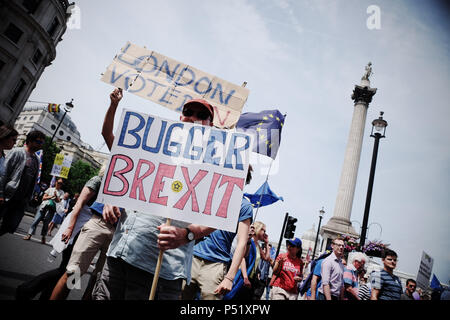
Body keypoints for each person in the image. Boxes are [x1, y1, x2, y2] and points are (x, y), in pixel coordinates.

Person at [92, 88, 219, 300]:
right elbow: (112, 144)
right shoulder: (152, 147)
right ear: (181, 117)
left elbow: (218, 216)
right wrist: (112, 197)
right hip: (120, 255)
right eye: (189, 112)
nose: (193, 118)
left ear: (211, 125)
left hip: (160, 271)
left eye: (202, 115)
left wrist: (186, 234)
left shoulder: (215, 165)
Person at [16, 174, 105, 300]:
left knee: (70, 271)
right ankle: (27, 289)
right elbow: (79, 204)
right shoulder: (98, 180)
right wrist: (69, 229)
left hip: (85, 231)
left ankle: (44, 295)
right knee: (69, 271)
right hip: (76, 229)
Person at [180, 170, 253, 300]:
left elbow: (242, 243)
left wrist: (229, 278)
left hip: (216, 266)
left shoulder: (244, 205)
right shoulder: (210, 194)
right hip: (192, 257)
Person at [0, 130, 45, 236]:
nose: (40, 145)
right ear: (29, 141)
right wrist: (1, 193)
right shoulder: (17, 152)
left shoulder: (37, 159)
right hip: (8, 195)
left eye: (42, 143)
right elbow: (4, 173)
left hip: (21, 200)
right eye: (38, 142)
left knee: (10, 226)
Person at [23, 177, 65, 244]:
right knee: (36, 220)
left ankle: (43, 236)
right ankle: (29, 234)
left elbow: (59, 201)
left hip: (52, 210)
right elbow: (44, 198)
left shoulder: (62, 192)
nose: (60, 184)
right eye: (59, 182)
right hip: (43, 207)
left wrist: (56, 196)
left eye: (61, 184)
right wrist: (51, 197)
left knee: (46, 224)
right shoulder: (50, 189)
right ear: (56, 182)